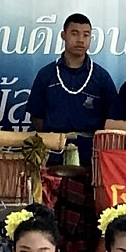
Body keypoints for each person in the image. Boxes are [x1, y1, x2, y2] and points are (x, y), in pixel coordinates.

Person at [27, 12, 118, 153]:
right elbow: (36, 116)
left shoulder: (101, 77)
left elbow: (113, 119)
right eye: (74, 34)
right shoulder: (46, 74)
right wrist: (52, 139)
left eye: (86, 35)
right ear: (63, 35)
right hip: (51, 150)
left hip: (91, 151)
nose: (80, 40)